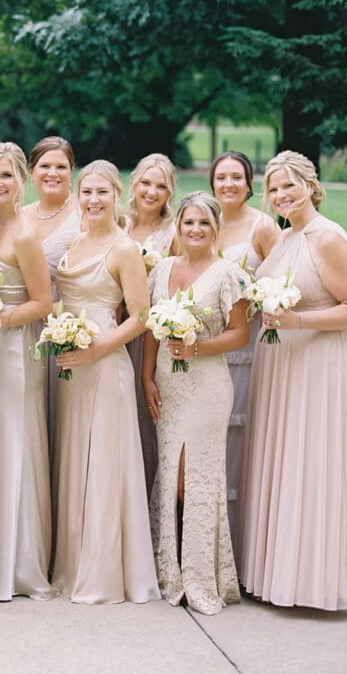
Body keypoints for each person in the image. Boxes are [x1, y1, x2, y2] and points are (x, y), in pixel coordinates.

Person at [238, 151, 347, 611]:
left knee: (314, 464)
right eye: (273, 188)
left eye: (289, 185)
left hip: (319, 366)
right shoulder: (285, 237)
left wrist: (297, 322)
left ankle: (317, 581)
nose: (281, 195)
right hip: (281, 366)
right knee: (285, 461)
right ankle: (277, 573)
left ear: (311, 185)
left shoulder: (327, 237)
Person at [52, 160, 160, 604]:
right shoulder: (75, 241)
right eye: (87, 192)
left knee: (105, 466)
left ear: (118, 196)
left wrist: (97, 349)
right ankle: (72, 564)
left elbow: (141, 315)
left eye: (103, 192)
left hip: (104, 362)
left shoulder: (124, 248)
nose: (94, 200)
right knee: (76, 458)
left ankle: (104, 573)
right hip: (70, 365)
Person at [142, 192, 249, 615]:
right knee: (170, 474)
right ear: (179, 227)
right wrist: (147, 376)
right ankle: (168, 571)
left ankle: (203, 577)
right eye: (188, 223)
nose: (196, 230)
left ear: (215, 227)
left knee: (196, 479)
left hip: (207, 386)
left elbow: (239, 334)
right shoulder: (163, 268)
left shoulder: (229, 275)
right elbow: (152, 329)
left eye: (204, 223)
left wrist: (197, 349)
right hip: (168, 383)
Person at [0, 142, 56, 602]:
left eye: (6, 176)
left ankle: (19, 563)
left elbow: (44, 302)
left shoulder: (24, 234)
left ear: (21, 180)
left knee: (17, 445)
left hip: (18, 352)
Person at [207, 151, 278, 545]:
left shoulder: (263, 227)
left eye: (237, 177)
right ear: (212, 183)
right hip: (211, 344)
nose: (229, 184)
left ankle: (243, 543)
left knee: (242, 436)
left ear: (250, 184)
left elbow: (285, 281)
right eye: (222, 177)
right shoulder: (207, 223)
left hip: (248, 348)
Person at [22, 137, 81, 462]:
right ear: (32, 171)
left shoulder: (87, 213)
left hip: (73, 332)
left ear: (72, 171)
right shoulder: (20, 216)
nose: (52, 173)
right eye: (45, 166)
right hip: (27, 332)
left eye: (61, 166)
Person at [124, 153, 178, 496]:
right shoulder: (118, 224)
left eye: (160, 186)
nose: (151, 191)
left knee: (147, 425)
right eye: (145, 182)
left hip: (149, 341)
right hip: (115, 333)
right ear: (134, 184)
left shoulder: (173, 233)